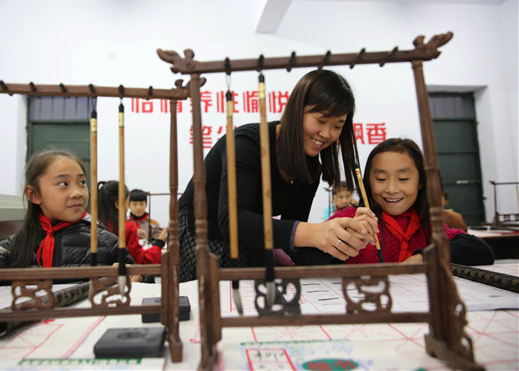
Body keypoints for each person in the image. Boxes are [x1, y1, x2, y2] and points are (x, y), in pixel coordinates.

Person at [177, 69, 379, 282]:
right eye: (320, 121)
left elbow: (291, 239)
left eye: (337, 126)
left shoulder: (310, 168)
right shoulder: (246, 145)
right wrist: (314, 233)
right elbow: (233, 220)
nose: (327, 134)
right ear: (296, 110)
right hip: (202, 234)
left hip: (252, 239)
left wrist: (342, 241)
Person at [0, 149, 138, 293]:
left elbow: (139, 283)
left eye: (82, 182)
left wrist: (135, 278)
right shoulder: (16, 245)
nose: (77, 193)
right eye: (63, 184)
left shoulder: (107, 242)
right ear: (34, 195)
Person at [328, 138, 494, 265]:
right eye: (381, 178)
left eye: (403, 178)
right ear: (368, 182)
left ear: (420, 181)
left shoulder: (425, 224)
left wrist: (423, 257)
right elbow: (307, 258)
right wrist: (343, 241)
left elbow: (480, 251)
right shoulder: (351, 218)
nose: (391, 189)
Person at [98, 181, 166, 265]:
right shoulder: (128, 227)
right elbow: (140, 260)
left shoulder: (95, 225)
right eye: (129, 203)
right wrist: (159, 243)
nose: (138, 207)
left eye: (141, 204)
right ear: (118, 204)